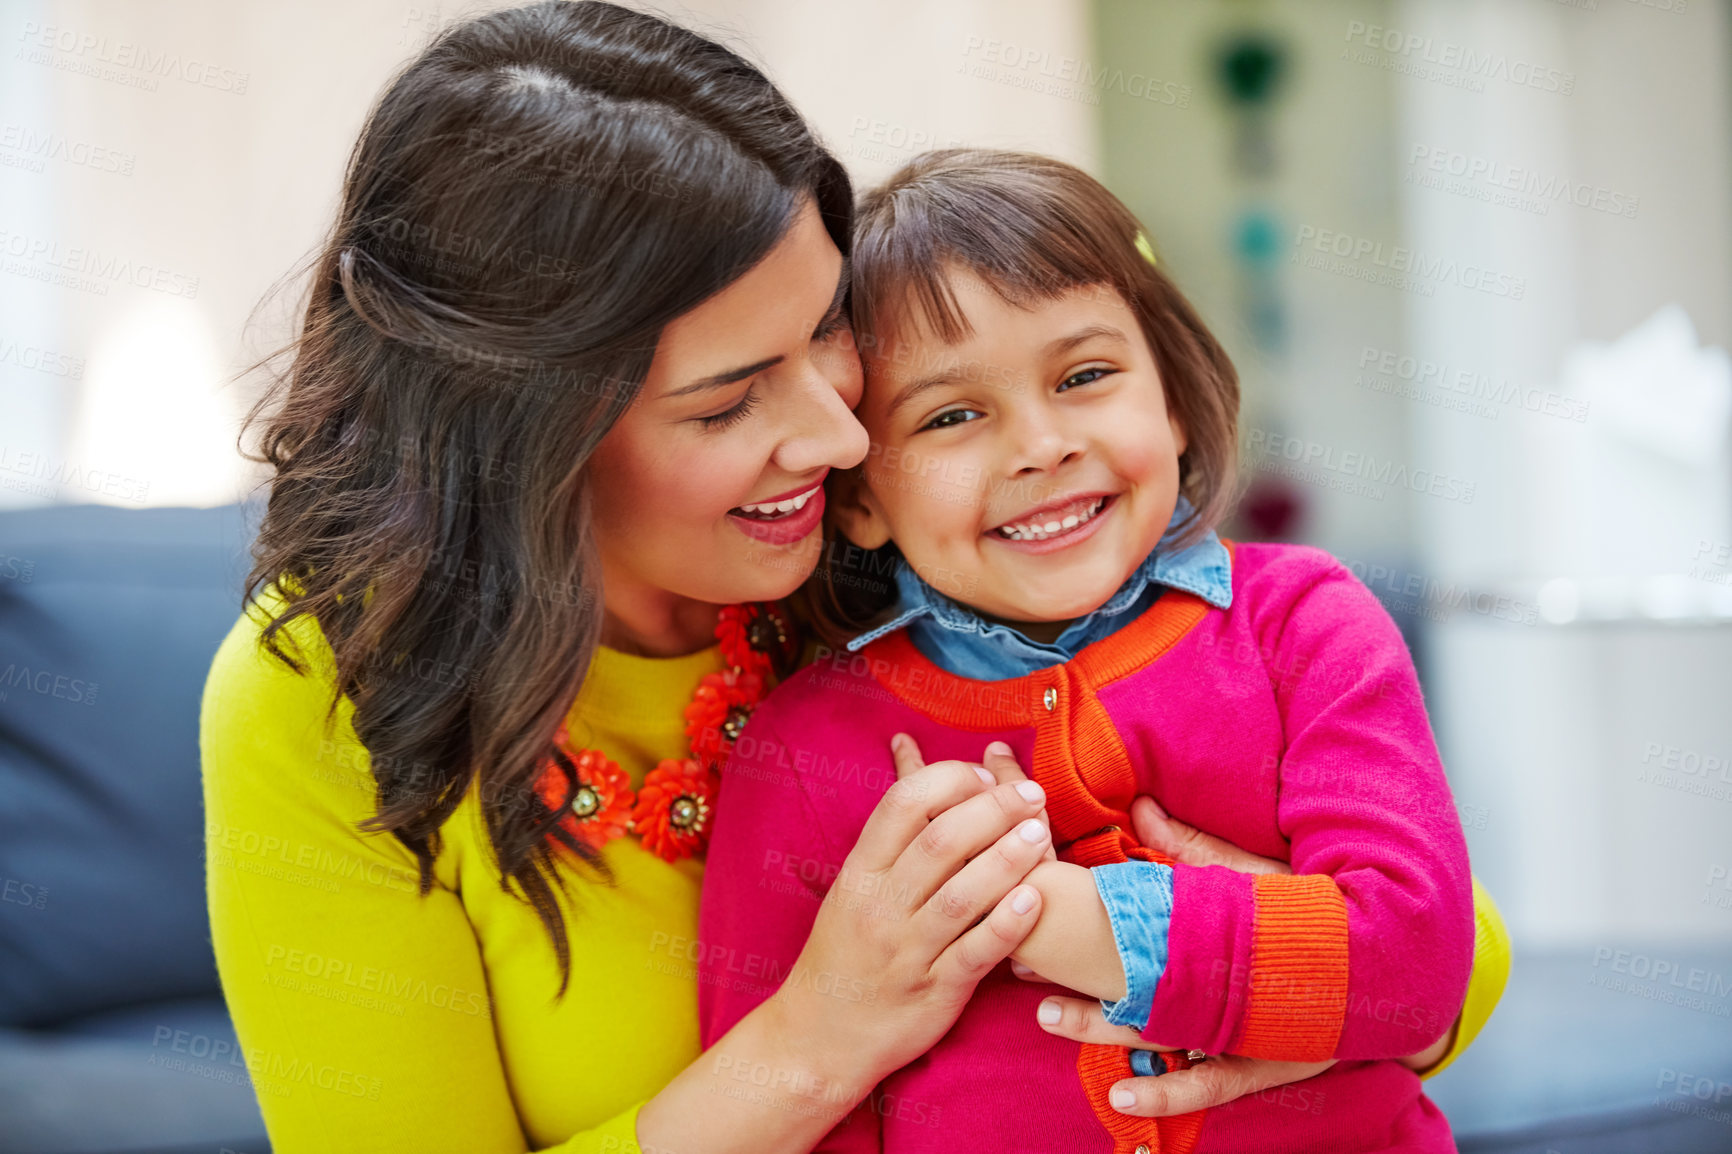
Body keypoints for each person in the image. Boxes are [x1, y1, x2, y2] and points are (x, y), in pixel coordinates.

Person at [199, 6, 1411, 1152]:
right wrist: (818, 1038)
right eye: (729, 398)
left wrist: (1267, 1008)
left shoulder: (922, 534)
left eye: (826, 328)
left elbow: (1449, 947)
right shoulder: (325, 691)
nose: (840, 436)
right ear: (522, 439)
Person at [697, 149, 1507, 1152]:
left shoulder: (1304, 626)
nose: (1040, 445)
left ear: (1168, 399)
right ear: (858, 494)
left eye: (1083, 375)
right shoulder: (804, 744)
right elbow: (793, 1109)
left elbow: (1415, 963)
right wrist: (1280, 960)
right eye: (953, 415)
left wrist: (1044, 914)